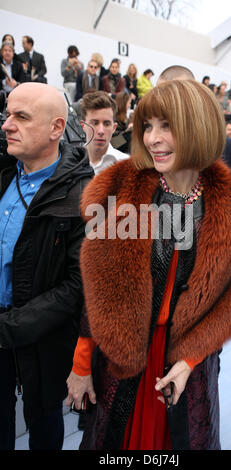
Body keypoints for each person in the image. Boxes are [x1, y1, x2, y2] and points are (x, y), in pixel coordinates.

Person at [77, 79, 231, 450]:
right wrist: (81, 363)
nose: (152, 138)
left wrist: (190, 359)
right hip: (125, 356)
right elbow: (100, 290)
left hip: (188, 365)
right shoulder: (124, 190)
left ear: (197, 125)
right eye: (148, 126)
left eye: (167, 125)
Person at [0, 82, 93, 450]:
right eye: (7, 114)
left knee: (44, 419)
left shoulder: (85, 196)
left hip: (44, 337)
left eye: (21, 117)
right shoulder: (6, 173)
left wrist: (8, 328)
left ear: (57, 128)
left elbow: (77, 285)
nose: (7, 124)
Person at [65, 91, 128, 422]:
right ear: (81, 124)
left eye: (107, 123)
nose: (101, 130)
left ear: (115, 125)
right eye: (94, 123)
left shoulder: (125, 166)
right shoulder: (65, 163)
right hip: (68, 271)